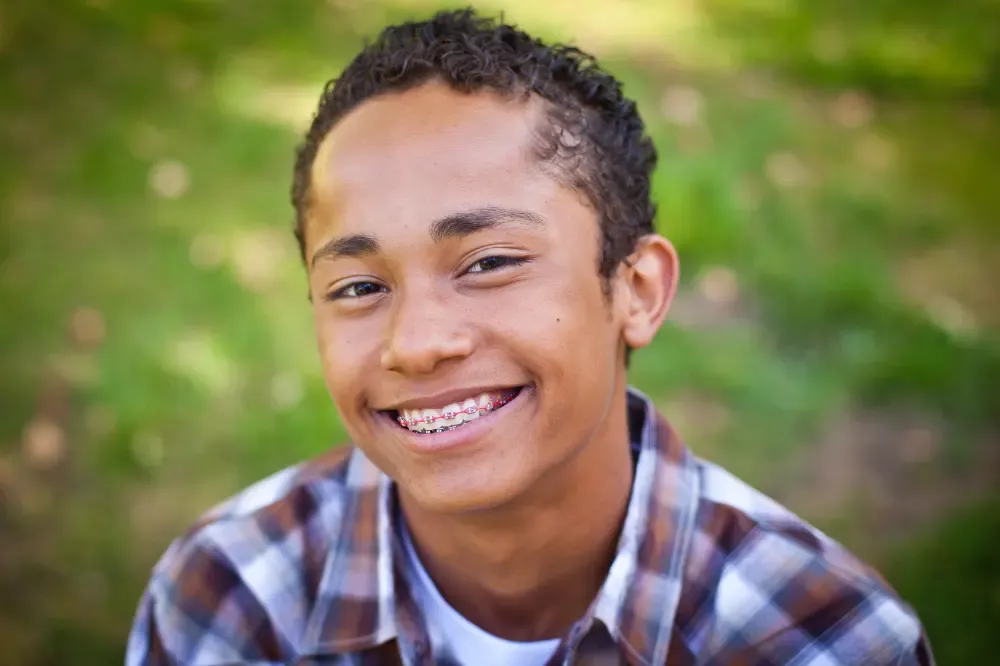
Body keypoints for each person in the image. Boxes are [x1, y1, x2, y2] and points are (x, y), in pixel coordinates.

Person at [126, 8, 934, 666]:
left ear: (636, 290)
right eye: (359, 287)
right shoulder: (228, 600)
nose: (416, 343)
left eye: (489, 263)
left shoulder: (822, 638)